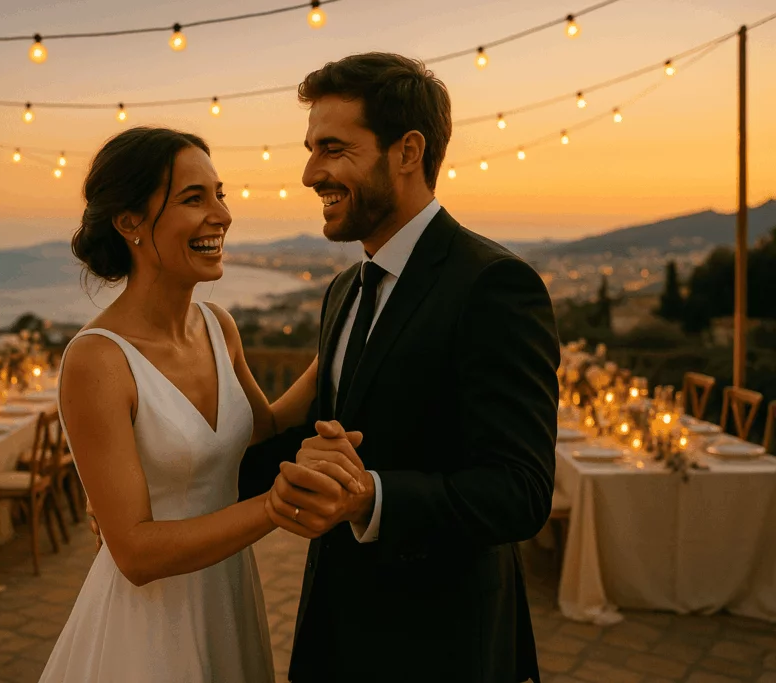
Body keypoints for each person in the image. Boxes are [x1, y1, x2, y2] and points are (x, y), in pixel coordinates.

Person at [238, 52, 561, 682]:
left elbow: (520, 492)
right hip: (336, 633)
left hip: (442, 646)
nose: (310, 174)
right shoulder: (343, 290)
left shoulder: (494, 286)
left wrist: (370, 498)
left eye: (333, 148)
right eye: (310, 150)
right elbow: (312, 440)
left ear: (407, 152)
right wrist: (163, 502)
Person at [39, 126, 366, 682]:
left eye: (220, 194)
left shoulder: (219, 326)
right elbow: (135, 553)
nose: (222, 214)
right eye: (194, 199)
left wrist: (350, 333)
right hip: (148, 628)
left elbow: (265, 429)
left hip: (228, 596)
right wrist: (273, 507)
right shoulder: (97, 361)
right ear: (130, 223)